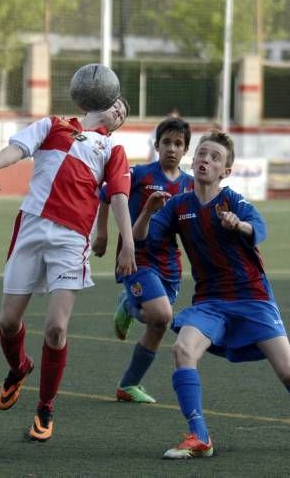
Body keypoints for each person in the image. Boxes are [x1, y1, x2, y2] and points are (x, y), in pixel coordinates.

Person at [133, 129, 290, 459]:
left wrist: (238, 225)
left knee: (289, 373)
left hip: (252, 299)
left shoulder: (234, 201)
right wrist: (148, 210)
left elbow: (260, 229)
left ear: (225, 171)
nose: (205, 160)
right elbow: (142, 240)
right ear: (193, 159)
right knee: (183, 350)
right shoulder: (177, 206)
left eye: (215, 158)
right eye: (201, 154)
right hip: (209, 302)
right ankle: (199, 435)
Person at [0, 96, 136, 442]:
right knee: (7, 322)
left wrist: (128, 243)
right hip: (31, 225)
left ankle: (45, 407)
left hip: (72, 239)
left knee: (56, 329)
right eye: (117, 103)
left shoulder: (112, 149)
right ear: (99, 98)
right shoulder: (53, 125)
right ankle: (19, 367)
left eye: (125, 112)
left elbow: (119, 196)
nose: (120, 111)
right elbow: (19, 148)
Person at [92, 116, 193, 404]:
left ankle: (129, 385)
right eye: (166, 143)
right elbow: (106, 193)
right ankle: (128, 302)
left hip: (169, 263)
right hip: (136, 257)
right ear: (156, 145)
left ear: (185, 150)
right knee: (162, 315)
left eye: (178, 144)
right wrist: (102, 234)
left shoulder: (189, 185)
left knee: (157, 324)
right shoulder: (139, 174)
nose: (172, 148)